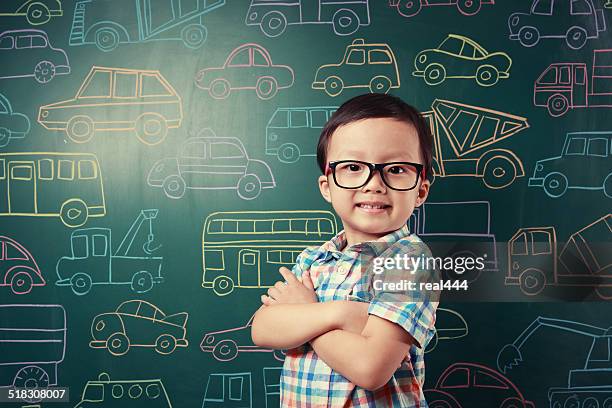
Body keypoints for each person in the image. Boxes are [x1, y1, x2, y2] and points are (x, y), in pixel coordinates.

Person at [251, 93, 440, 407]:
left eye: (396, 169)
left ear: (420, 190)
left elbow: (370, 367)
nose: (373, 184)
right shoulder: (313, 259)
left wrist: (306, 314)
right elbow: (262, 328)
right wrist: (341, 313)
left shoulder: (410, 261)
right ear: (327, 185)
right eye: (353, 166)